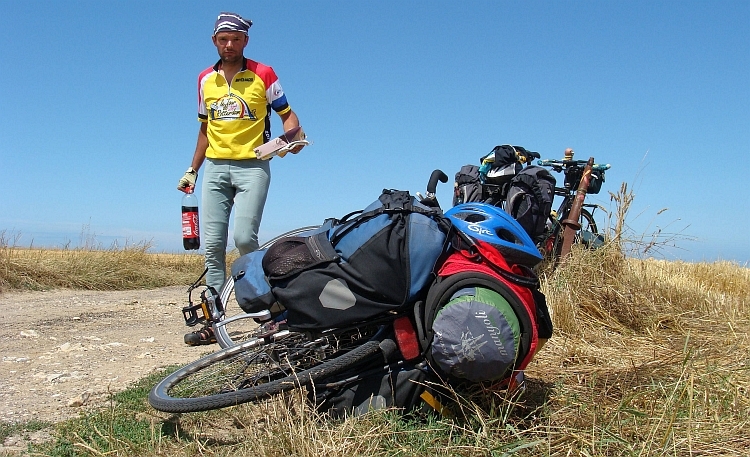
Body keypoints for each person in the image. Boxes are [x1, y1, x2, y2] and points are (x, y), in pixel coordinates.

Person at [177, 12, 305, 345]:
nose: (229, 45)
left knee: (246, 238)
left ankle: (270, 313)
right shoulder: (205, 79)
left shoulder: (264, 73)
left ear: (245, 41)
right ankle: (213, 322)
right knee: (214, 246)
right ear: (214, 42)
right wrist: (193, 169)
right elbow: (205, 129)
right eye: (223, 39)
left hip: (252, 166)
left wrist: (293, 140)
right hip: (217, 168)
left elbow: (288, 116)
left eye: (235, 39)